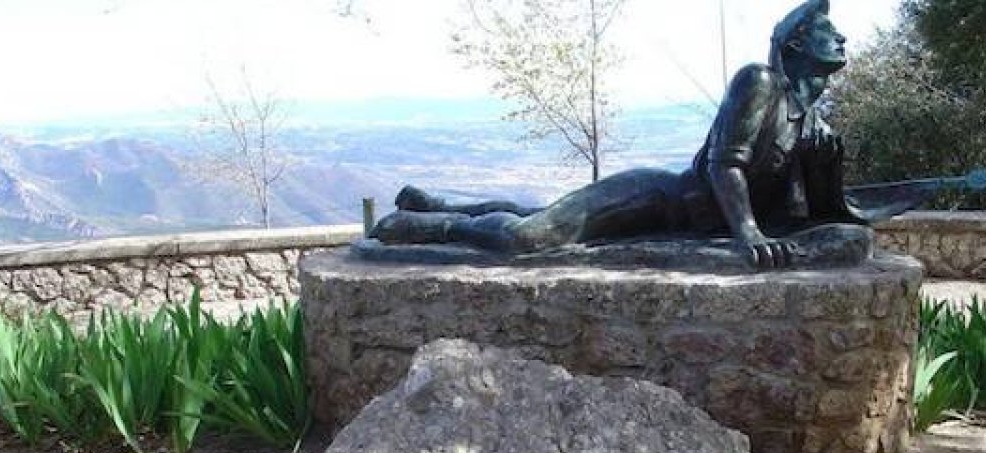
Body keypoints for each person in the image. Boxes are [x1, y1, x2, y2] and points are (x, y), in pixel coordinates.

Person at [373, 0, 886, 270]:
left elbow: (809, 215)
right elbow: (724, 165)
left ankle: (442, 204)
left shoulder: (811, 124)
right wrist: (748, 232)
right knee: (531, 238)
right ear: (797, 44)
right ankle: (436, 225)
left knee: (547, 214)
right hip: (659, 199)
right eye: (829, 31)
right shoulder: (761, 82)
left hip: (682, 221)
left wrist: (826, 169)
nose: (842, 37)